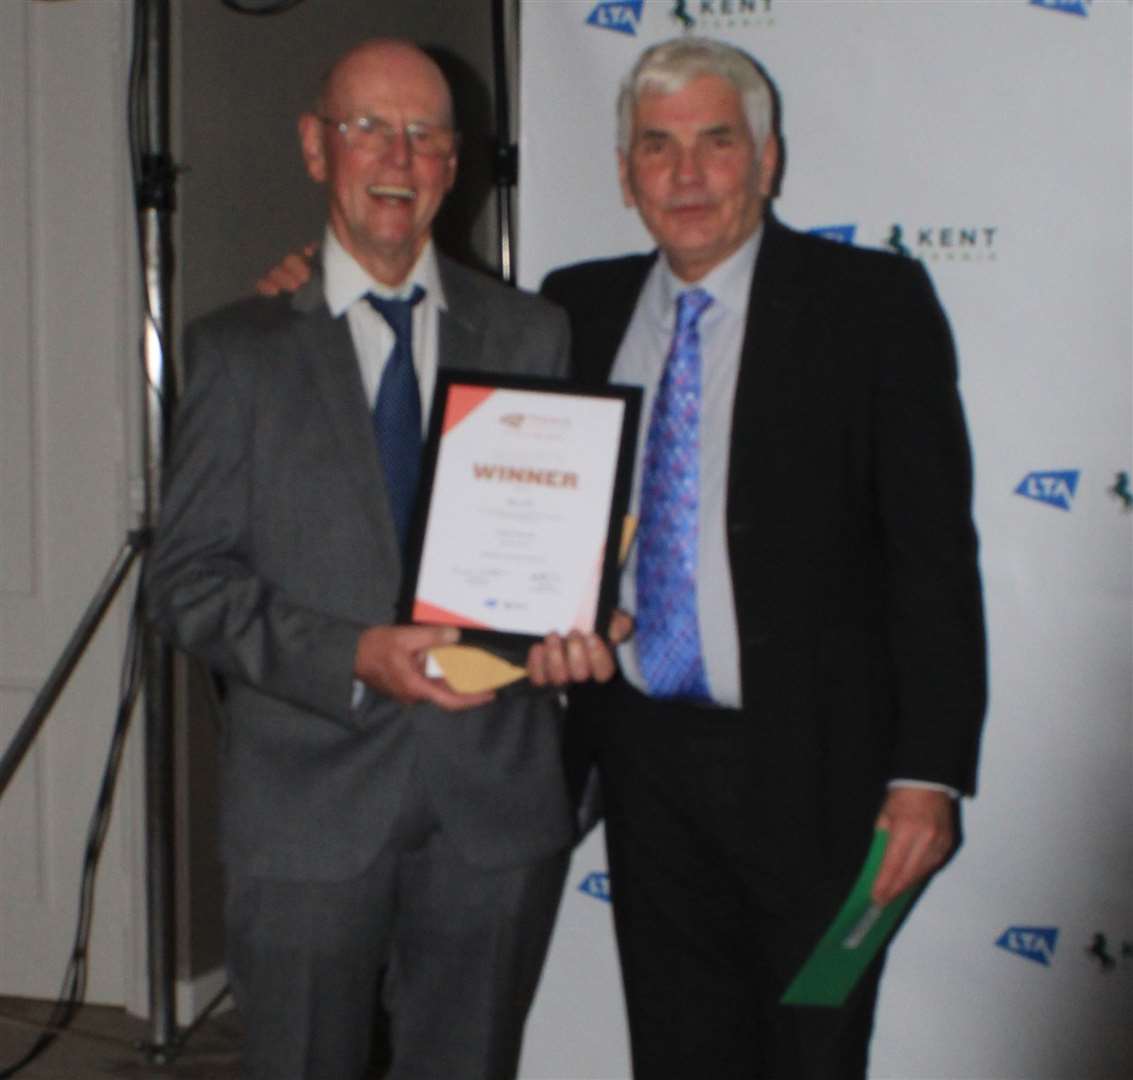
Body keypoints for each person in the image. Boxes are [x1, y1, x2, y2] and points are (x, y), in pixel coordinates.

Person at [145, 38, 617, 1080]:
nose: (396, 156)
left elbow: (566, 544)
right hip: (307, 810)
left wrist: (591, 618)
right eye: (367, 128)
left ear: (454, 162)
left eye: (424, 134)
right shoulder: (239, 351)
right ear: (317, 148)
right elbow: (184, 584)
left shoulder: (533, 332)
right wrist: (353, 654)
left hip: (492, 808)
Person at [532, 37, 988, 1079]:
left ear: (767, 160)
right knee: (676, 1050)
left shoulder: (870, 306)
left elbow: (930, 557)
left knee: (816, 1044)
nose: (685, 174)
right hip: (645, 766)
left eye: (715, 142)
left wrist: (925, 778)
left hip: (826, 776)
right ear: (622, 172)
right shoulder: (573, 305)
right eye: (656, 146)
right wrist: (305, 287)